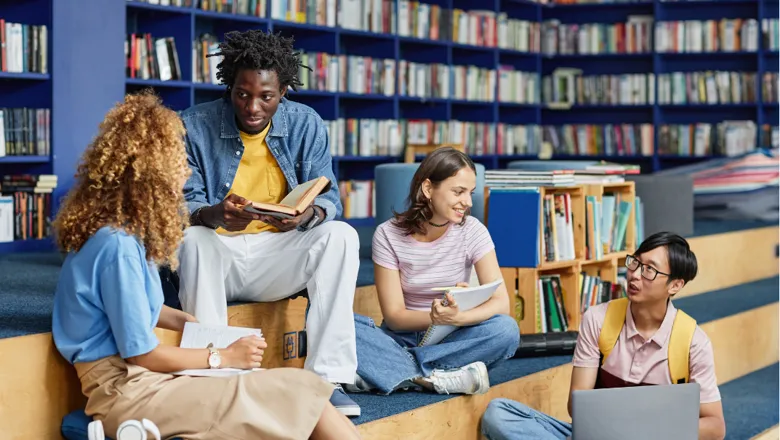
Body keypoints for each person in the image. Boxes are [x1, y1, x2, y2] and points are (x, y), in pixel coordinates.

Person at [50, 92, 361, 440]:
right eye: (176, 162)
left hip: (140, 386)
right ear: (151, 171)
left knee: (300, 394)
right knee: (303, 393)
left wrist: (182, 319)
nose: (183, 172)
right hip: (131, 394)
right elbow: (142, 354)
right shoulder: (117, 246)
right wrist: (222, 357)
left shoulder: (116, 236)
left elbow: (128, 310)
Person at [176, 30, 360, 415]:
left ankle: (327, 381)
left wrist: (304, 216)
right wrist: (213, 214)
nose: (253, 107)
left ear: (285, 90)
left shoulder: (305, 123)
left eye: (266, 96)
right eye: (242, 94)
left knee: (340, 236)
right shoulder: (194, 125)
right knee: (193, 239)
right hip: (218, 253)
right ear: (230, 86)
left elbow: (327, 197)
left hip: (278, 254)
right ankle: (217, 376)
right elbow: (180, 206)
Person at [480, 232, 727, 440]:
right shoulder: (598, 319)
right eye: (635, 263)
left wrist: (647, 432)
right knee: (498, 414)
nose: (635, 275)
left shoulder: (693, 341)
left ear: (675, 285)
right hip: (597, 436)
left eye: (649, 270)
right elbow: (577, 406)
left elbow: (715, 427)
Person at [347, 147, 520, 396]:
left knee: (506, 330)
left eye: (470, 193)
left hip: (453, 337)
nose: (468, 202)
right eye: (458, 192)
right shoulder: (387, 234)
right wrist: (436, 317)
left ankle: (395, 371)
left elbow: (501, 303)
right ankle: (437, 378)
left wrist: (458, 317)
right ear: (428, 189)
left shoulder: (473, 230)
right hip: (402, 336)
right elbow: (395, 316)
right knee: (342, 323)